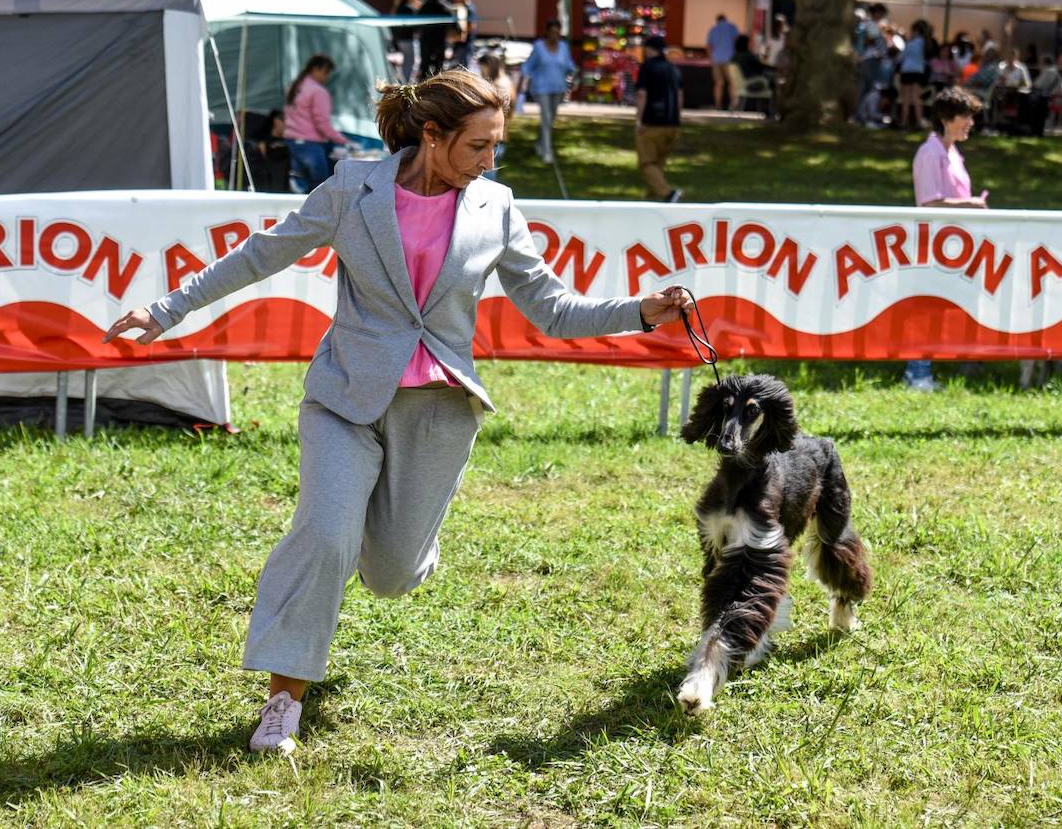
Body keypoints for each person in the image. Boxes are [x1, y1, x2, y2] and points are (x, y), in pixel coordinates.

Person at [102, 69, 697, 755]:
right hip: (345, 399)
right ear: (432, 135)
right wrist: (167, 308)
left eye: (495, 146)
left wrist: (638, 311)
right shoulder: (354, 189)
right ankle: (281, 705)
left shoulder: (496, 206)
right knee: (325, 536)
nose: (489, 161)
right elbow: (261, 254)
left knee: (389, 573)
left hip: (436, 410)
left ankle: (406, 542)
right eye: (478, 146)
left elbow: (551, 306)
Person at [907, 87, 987, 392]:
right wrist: (972, 205)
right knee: (927, 308)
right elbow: (929, 203)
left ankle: (964, 358)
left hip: (954, 245)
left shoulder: (952, 152)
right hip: (934, 243)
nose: (971, 123)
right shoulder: (930, 153)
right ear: (945, 118)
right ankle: (917, 374)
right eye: (965, 116)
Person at [282, 55, 348, 193]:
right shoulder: (318, 91)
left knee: (297, 185)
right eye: (326, 72)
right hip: (311, 146)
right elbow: (322, 124)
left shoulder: (294, 87)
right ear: (315, 69)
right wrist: (342, 140)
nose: (327, 77)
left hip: (292, 142)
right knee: (319, 188)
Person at [634, 34, 684, 202]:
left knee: (647, 163)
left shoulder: (648, 67)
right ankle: (652, 200)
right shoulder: (673, 69)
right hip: (672, 124)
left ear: (649, 49)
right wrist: (677, 118)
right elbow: (679, 96)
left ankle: (668, 194)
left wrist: (639, 119)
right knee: (658, 165)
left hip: (652, 122)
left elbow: (642, 94)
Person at [520, 18, 576, 164]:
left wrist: (574, 73)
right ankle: (547, 151)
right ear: (547, 32)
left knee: (550, 119)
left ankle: (540, 144)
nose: (554, 35)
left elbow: (569, 65)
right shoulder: (539, 47)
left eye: (557, 32)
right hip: (541, 88)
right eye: (552, 32)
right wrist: (521, 81)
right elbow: (528, 66)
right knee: (546, 118)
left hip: (558, 88)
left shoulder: (564, 47)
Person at [477, 53, 514, 180]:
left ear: (489, 66)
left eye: (482, 68)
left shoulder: (498, 86)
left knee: (486, 178)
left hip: (494, 137)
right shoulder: (507, 81)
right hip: (501, 135)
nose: (481, 72)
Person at [855, 4, 888, 120]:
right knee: (867, 88)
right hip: (870, 58)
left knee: (865, 87)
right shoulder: (871, 24)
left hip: (868, 58)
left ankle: (861, 114)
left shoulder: (868, 24)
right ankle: (861, 114)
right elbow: (871, 40)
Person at [898, 20, 930, 129]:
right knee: (916, 98)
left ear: (915, 30)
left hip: (907, 71)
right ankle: (919, 121)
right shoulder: (926, 43)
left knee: (906, 98)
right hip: (918, 72)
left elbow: (901, 56)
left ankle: (904, 122)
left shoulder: (911, 43)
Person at [418, 0, 453, 80]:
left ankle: (423, 83)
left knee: (425, 63)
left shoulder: (426, 5)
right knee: (439, 65)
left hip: (426, 38)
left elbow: (418, 19)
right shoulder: (446, 7)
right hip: (440, 39)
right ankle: (437, 83)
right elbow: (453, 24)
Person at [707, 14, 740, 110]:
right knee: (732, 83)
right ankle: (733, 105)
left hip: (717, 59)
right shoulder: (732, 27)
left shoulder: (713, 29)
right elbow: (737, 41)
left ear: (717, 20)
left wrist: (711, 57)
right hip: (730, 59)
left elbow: (708, 46)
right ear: (726, 19)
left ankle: (718, 105)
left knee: (718, 83)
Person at [390, 0, 421, 82]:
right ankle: (406, 82)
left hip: (402, 38)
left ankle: (403, 80)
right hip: (408, 38)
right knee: (411, 62)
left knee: (407, 62)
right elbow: (416, 24)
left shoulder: (400, 6)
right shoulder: (408, 9)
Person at [450, 0, 478, 67]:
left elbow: (472, 26)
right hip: (461, 44)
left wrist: (461, 35)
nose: (455, 0)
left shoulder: (470, 9)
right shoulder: (464, 7)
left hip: (466, 45)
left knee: (464, 68)